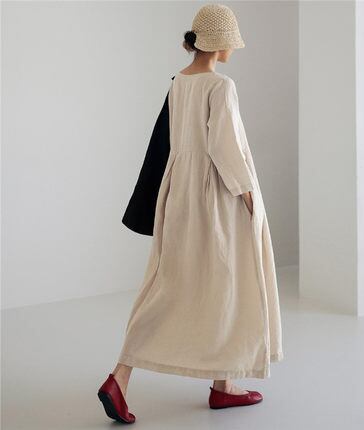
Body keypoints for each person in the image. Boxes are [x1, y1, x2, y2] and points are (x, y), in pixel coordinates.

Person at [97, 4, 284, 424]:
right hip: (216, 196)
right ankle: (206, 384)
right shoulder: (221, 86)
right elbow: (224, 148)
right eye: (231, 41)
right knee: (228, 281)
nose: (234, 49)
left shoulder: (179, 82)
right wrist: (249, 198)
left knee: (170, 282)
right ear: (219, 44)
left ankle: (213, 383)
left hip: (178, 192)